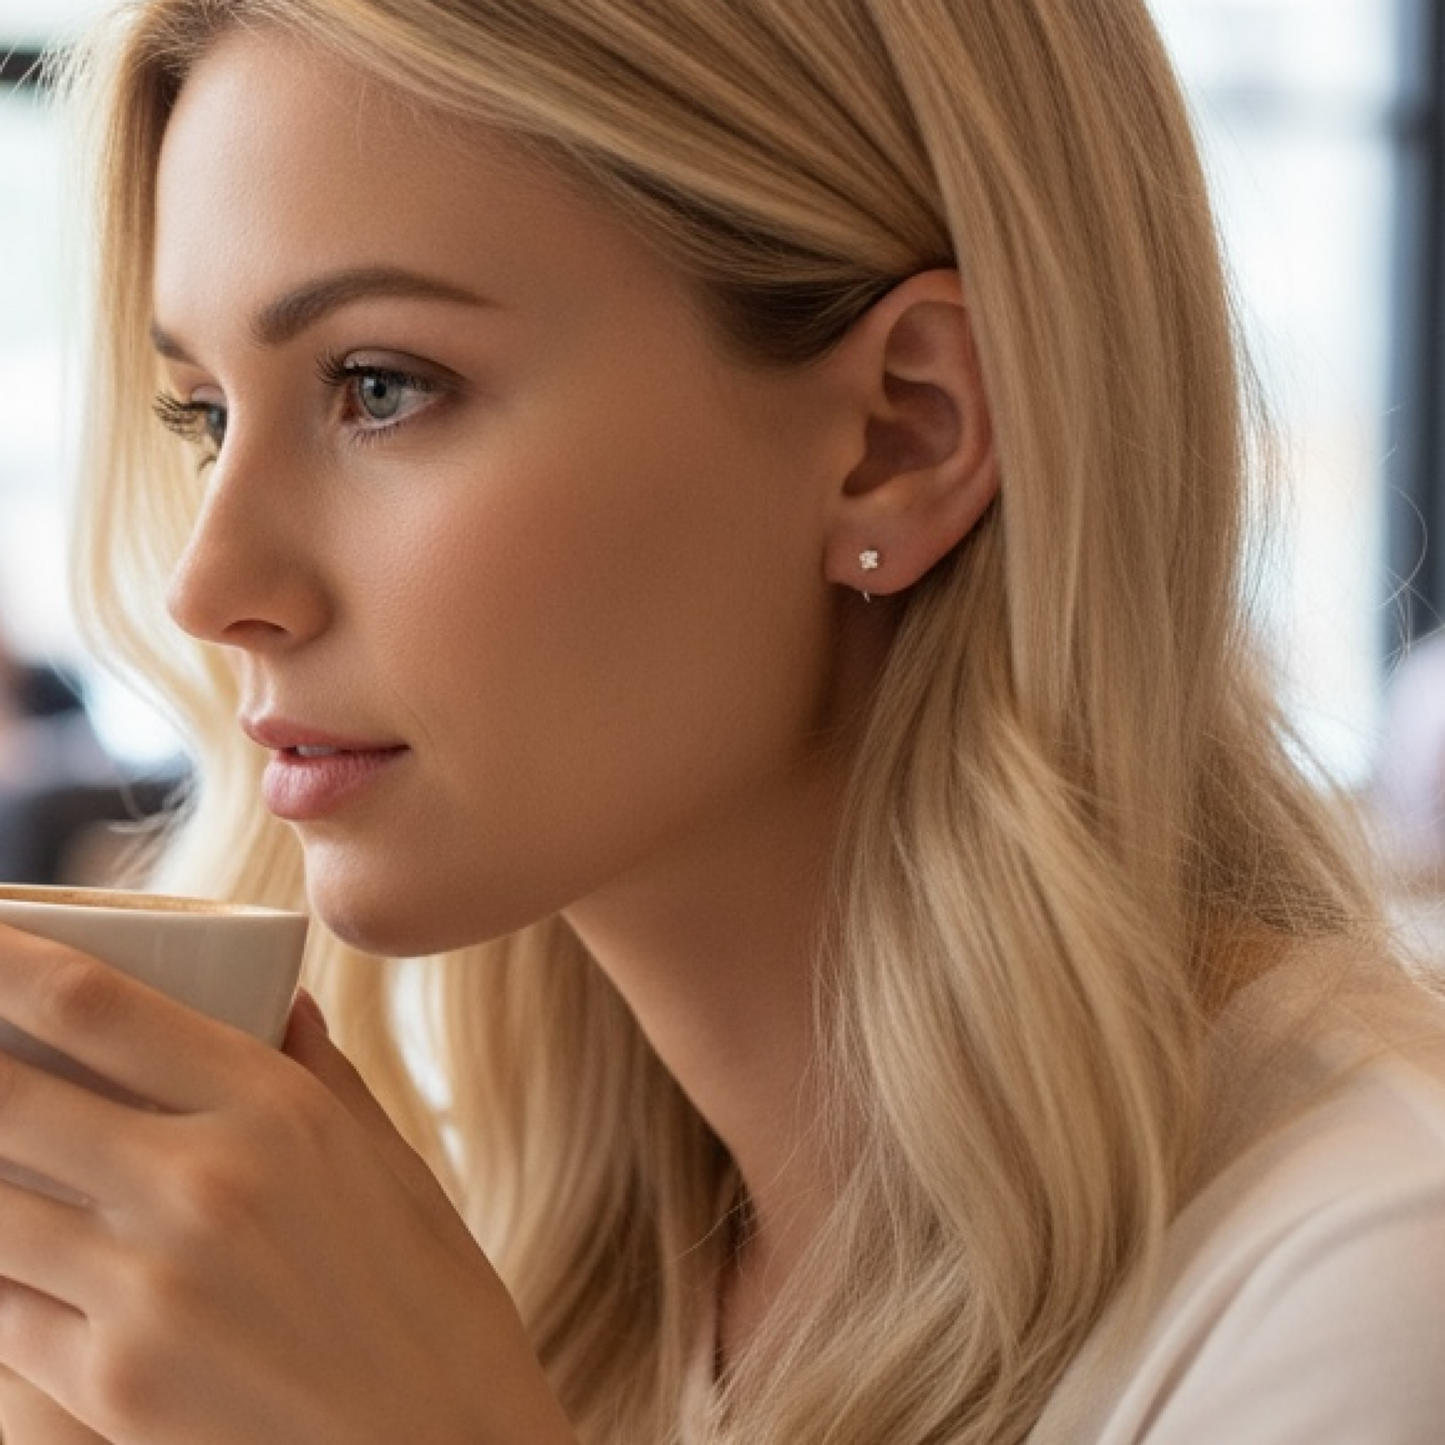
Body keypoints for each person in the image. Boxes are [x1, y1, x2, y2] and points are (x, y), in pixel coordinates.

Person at [0, 1, 1441, 1441]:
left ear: (903, 434)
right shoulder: (501, 1268)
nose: (209, 587)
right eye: (201, 416)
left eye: (381, 387)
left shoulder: (1366, 1294)